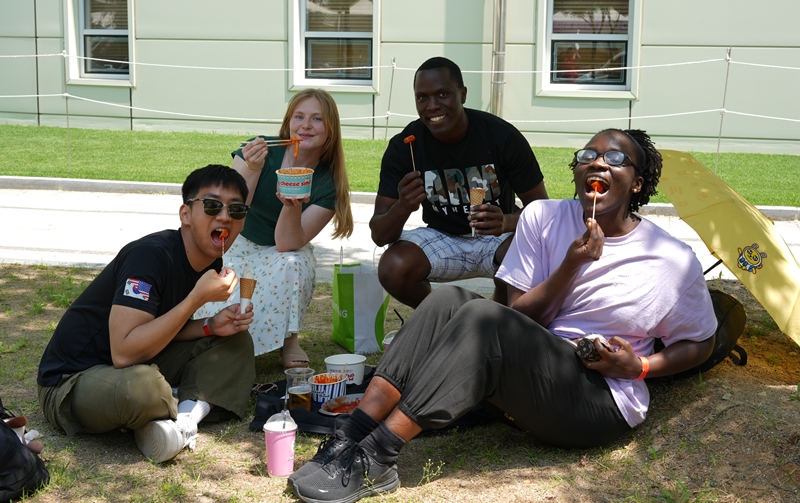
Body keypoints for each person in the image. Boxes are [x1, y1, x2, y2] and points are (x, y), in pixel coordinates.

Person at [290, 129, 718, 503]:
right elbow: (521, 316)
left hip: (596, 401)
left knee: (483, 317)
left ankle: (378, 457)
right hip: (534, 368)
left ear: (637, 182)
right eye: (588, 155)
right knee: (447, 301)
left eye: (616, 158)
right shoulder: (544, 217)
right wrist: (571, 265)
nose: (598, 163)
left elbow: (701, 343)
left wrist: (640, 366)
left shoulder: (670, 259)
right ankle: (351, 434)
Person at [37, 164, 256, 464]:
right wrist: (195, 300)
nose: (224, 216)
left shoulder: (211, 263)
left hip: (139, 359)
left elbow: (162, 326)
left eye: (236, 210)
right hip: (72, 379)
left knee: (237, 342)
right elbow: (124, 353)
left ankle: (183, 422)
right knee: (144, 389)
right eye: (212, 205)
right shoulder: (149, 256)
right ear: (186, 214)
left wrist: (209, 326)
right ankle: (180, 398)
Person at [370, 56, 549, 308]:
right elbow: (379, 235)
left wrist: (507, 221)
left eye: (443, 94)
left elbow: (545, 214)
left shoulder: (501, 137)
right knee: (393, 267)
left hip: (497, 238)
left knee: (532, 258)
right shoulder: (405, 146)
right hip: (441, 237)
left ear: (462, 94)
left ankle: (496, 318)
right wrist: (402, 206)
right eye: (422, 97)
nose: (432, 105)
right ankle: (449, 319)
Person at [195, 88, 353, 367]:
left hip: (282, 252)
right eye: (299, 116)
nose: (305, 125)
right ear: (288, 122)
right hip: (238, 242)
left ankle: (288, 340)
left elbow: (286, 244)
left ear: (331, 129)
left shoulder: (329, 182)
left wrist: (291, 206)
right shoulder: (259, 151)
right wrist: (251, 169)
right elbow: (230, 214)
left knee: (293, 262)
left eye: (317, 119)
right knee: (216, 299)